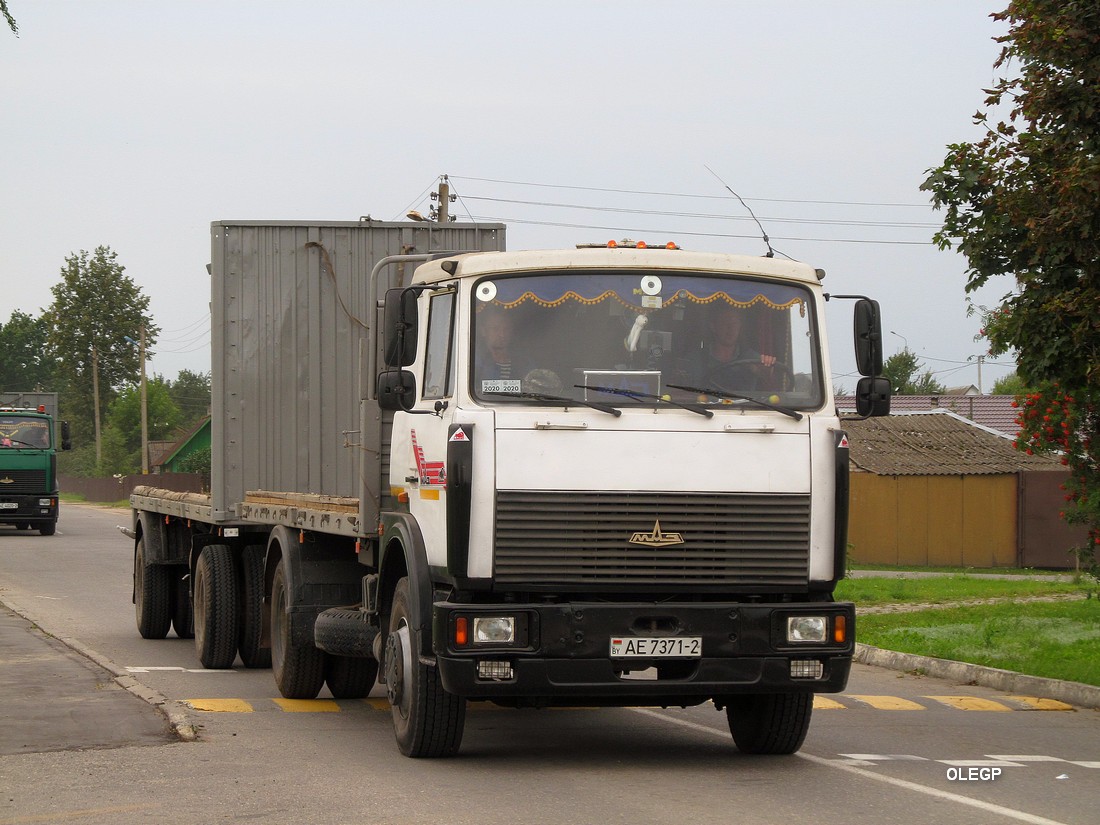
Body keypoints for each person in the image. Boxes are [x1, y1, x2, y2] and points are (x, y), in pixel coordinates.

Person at [684, 301, 777, 390]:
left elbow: (767, 373)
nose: (730, 328)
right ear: (713, 327)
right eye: (725, 323)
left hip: (745, 407)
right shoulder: (695, 360)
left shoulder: (751, 357)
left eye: (734, 323)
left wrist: (767, 368)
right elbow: (682, 392)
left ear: (739, 327)